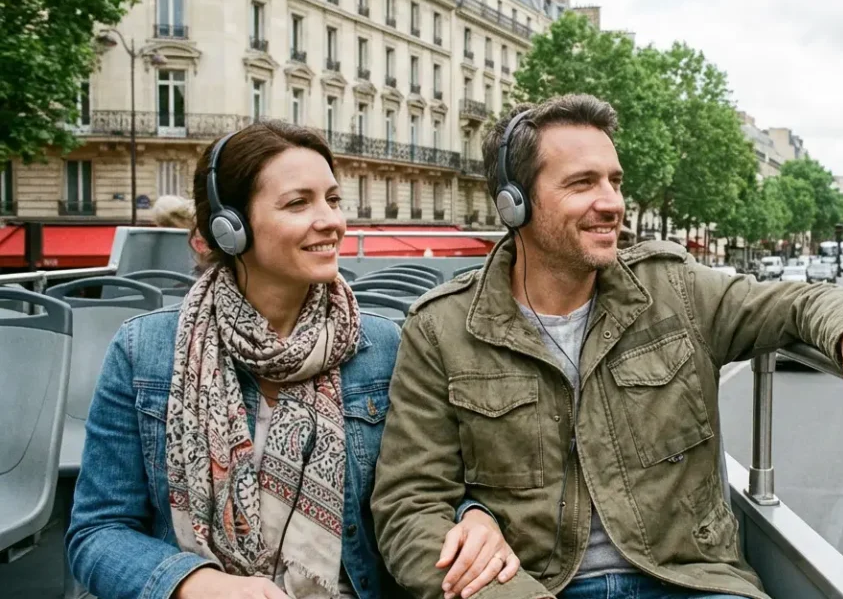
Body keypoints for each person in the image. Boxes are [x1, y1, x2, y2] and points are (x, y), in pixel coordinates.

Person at [370, 95, 843, 599]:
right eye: (582, 184)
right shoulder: (441, 329)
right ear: (513, 204)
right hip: (538, 588)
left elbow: (796, 303)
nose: (611, 202)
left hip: (693, 582)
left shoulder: (673, 288)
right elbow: (409, 506)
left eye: (614, 181)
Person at [65, 123, 513, 599]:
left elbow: (429, 489)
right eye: (298, 203)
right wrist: (195, 583)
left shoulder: (382, 345)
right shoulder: (145, 350)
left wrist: (474, 516)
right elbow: (97, 533)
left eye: (333, 200)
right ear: (229, 228)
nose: (331, 221)